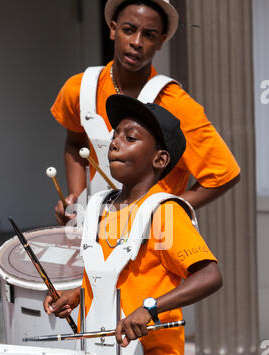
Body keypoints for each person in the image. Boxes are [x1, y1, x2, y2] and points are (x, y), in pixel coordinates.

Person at [44, 94, 223, 355]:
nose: (114, 142)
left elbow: (209, 275)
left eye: (130, 136)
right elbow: (111, 277)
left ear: (159, 159)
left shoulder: (164, 212)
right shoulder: (99, 208)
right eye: (115, 134)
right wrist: (76, 296)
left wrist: (150, 308)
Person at [51, 0, 240, 226]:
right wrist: (78, 206)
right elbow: (74, 144)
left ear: (160, 42)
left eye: (149, 35)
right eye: (129, 30)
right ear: (113, 29)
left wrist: (158, 212)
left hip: (152, 240)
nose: (137, 42)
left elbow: (224, 174)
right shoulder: (81, 89)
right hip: (97, 232)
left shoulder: (174, 104)